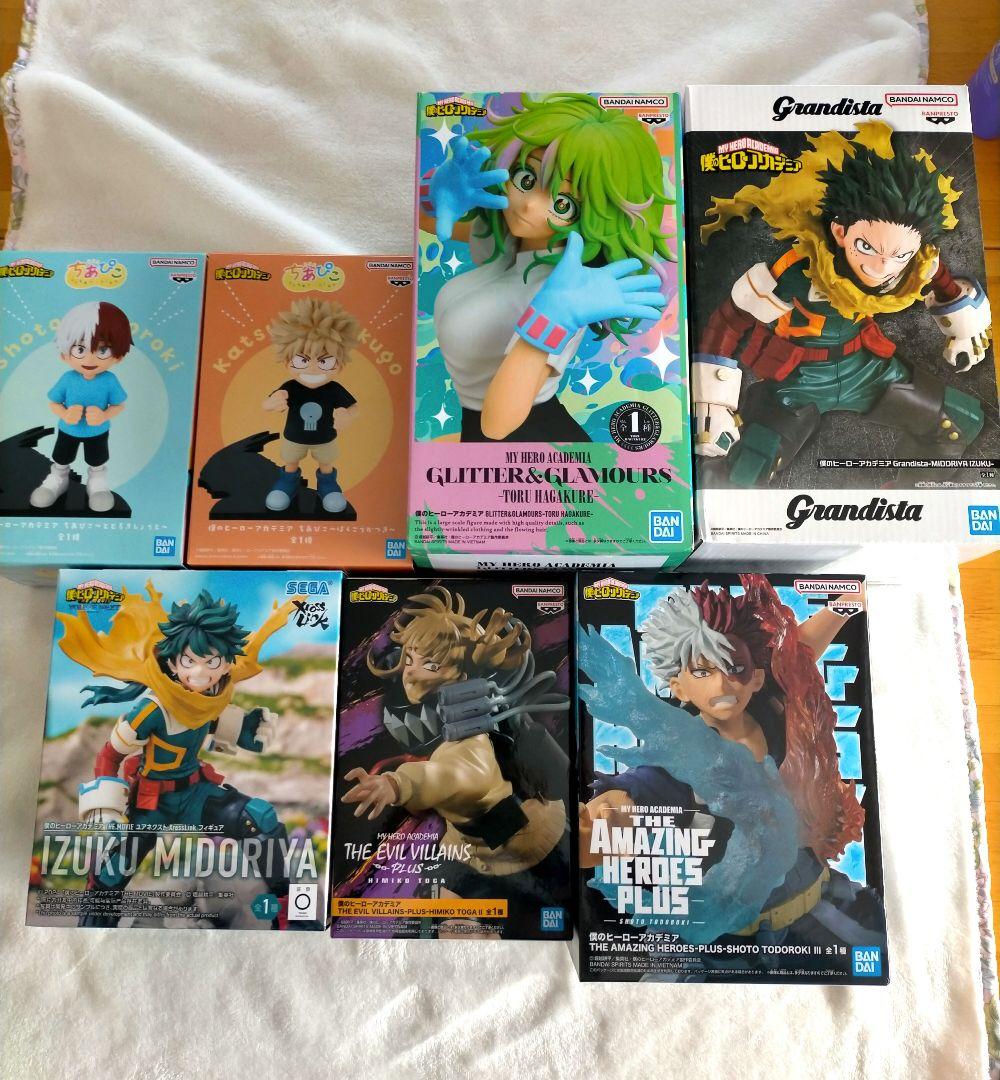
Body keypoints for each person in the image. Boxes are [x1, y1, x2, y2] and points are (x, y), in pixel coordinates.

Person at [579, 577, 885, 974]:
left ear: (756, 677)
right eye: (702, 671)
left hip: (819, 907)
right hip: (728, 943)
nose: (723, 683)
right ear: (678, 687)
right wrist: (606, 818)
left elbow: (799, 654)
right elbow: (633, 794)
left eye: (735, 668)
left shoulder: (772, 712)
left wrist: (846, 602)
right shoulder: (677, 758)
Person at [692, 121, 992, 485]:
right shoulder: (796, 270)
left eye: (900, 255)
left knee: (959, 422)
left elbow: (940, 280)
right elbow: (730, 319)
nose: (882, 268)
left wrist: (965, 327)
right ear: (840, 231)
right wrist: (713, 402)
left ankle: (905, 500)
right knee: (746, 466)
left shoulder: (915, 263)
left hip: (866, 369)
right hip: (799, 379)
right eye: (867, 247)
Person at [420, 93, 671, 442]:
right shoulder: (508, 245)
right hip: (483, 440)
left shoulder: (565, 291)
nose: (529, 207)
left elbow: (497, 425)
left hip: (533, 447)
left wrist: (551, 321)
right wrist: (438, 192)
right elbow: (430, 222)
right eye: (525, 179)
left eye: (563, 203)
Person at [60, 583, 295, 927]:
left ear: (225, 664)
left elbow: (227, 730)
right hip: (151, 801)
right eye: (189, 661)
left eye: (212, 661)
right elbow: (109, 756)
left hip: (195, 792)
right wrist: (105, 808)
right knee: (110, 874)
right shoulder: (150, 709)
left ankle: (286, 908)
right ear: (172, 661)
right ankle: (92, 931)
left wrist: (251, 731)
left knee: (259, 818)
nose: (200, 672)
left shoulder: (213, 700)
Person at [341, 586, 570, 936]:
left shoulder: (475, 736)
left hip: (530, 845)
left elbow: (450, 774)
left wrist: (395, 784)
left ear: (461, 677)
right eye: (410, 659)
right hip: (467, 849)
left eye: (430, 665)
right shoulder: (431, 717)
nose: (410, 673)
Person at [30, 301, 131, 512]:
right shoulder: (68, 378)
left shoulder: (109, 380)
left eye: (102, 349)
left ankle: (98, 481)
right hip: (68, 429)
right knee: (62, 456)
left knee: (97, 458)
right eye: (80, 349)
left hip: (98, 431)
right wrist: (65, 413)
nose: (90, 358)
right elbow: (54, 402)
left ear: (119, 355)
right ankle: (58, 477)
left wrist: (104, 415)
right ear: (64, 353)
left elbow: (119, 405)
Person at [262, 298, 360, 512]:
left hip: (325, 439)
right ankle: (287, 483)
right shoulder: (290, 387)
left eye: (324, 361)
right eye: (302, 360)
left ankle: (328, 486)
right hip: (293, 438)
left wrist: (347, 416)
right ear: (287, 361)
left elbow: (353, 407)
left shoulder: (334, 389)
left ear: (340, 363)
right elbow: (266, 404)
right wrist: (272, 402)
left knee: (326, 464)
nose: (313, 368)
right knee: (290, 462)